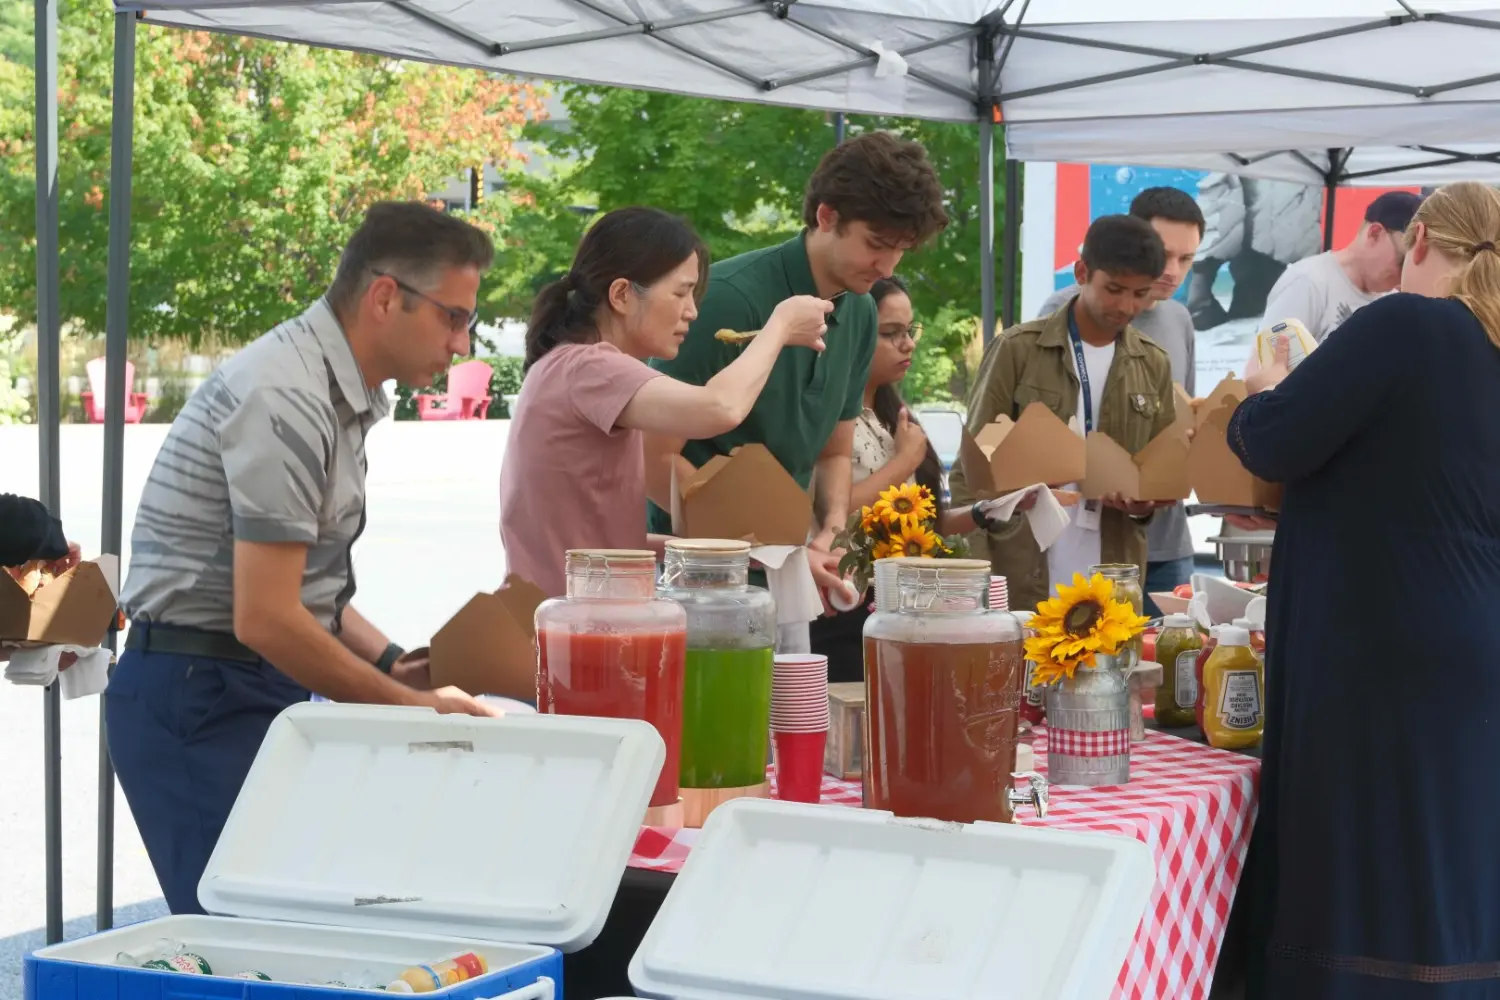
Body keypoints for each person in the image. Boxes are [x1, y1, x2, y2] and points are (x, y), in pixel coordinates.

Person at [106, 202, 500, 916]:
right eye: (453, 317)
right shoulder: (285, 393)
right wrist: (413, 707)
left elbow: (304, 588)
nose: (463, 344)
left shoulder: (327, 385)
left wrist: (395, 664)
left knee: (300, 932)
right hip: (201, 692)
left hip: (236, 681)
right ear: (386, 296)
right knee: (248, 946)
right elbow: (267, 616)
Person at [1232, 181, 1500, 999]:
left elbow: (1272, 441)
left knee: (1361, 856)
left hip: (1376, 634)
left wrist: (1261, 390)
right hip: (1472, 634)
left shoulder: (1403, 323)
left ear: (1417, 240)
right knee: (1453, 850)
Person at [643, 131, 949, 651]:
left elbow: (834, 446)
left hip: (791, 579)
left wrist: (827, 531)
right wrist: (763, 548)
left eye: (901, 250)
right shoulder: (725, 299)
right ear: (826, 216)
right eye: (876, 244)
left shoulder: (862, 311)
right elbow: (653, 460)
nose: (888, 268)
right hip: (694, 585)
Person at [498, 207, 832, 597]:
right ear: (622, 294)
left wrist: (735, 551)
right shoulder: (591, 367)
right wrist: (780, 326)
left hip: (572, 617)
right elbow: (720, 408)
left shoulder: (570, 365)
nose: (691, 311)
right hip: (580, 625)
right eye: (681, 292)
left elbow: (592, 542)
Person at [951, 215, 1177, 613]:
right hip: (1025, 565)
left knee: (1106, 673)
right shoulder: (1018, 350)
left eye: (1140, 293)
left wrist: (1142, 504)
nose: (1126, 306)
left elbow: (1160, 471)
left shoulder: (1153, 362)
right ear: (1081, 272)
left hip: (1112, 568)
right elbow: (972, 468)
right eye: (1114, 289)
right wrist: (974, 574)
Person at [807, 276, 1028, 680]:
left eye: (911, 331)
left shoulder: (898, 418)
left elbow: (917, 525)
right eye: (891, 333)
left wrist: (984, 512)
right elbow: (833, 516)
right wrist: (902, 464)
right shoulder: (828, 419)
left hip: (905, 601)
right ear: (851, 334)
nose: (908, 344)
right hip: (844, 601)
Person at [1038, 187, 1205, 613]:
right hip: (1081, 543)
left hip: (1167, 543)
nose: (1172, 271)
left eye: (1186, 259)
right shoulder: (1062, 312)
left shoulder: (1179, 318)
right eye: (1165, 255)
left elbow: (1182, 425)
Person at [1251, 190, 1422, 350]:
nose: (1404, 276)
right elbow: (1264, 372)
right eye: (1403, 261)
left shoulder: (1392, 298)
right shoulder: (1308, 282)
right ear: (1375, 233)